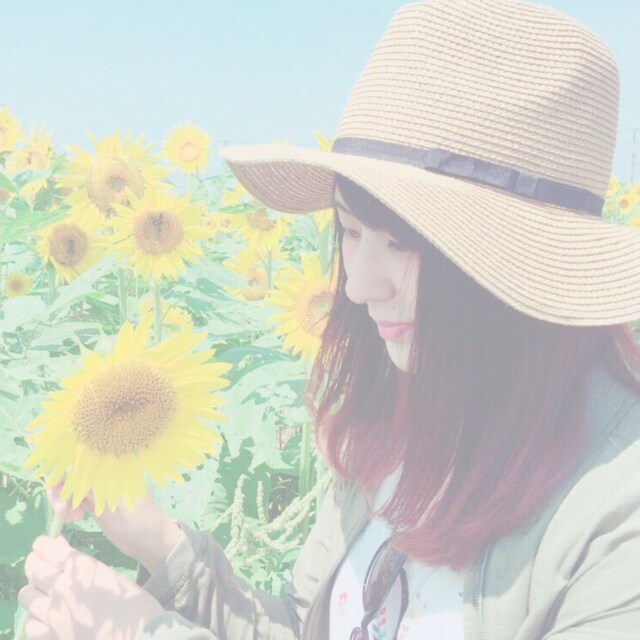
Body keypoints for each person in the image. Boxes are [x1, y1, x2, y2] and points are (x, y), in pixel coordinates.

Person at [18, 0, 640, 637]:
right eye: (349, 229)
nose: (360, 286)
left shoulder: (618, 517)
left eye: (400, 242)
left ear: (524, 259)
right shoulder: (400, 420)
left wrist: (143, 632)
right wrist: (164, 546)